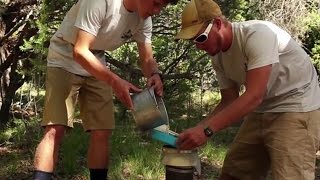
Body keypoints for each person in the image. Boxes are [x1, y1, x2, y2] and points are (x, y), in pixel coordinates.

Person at [33, 0, 178, 179]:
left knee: (102, 130)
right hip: (65, 56)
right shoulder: (101, 2)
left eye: (162, 7)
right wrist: (115, 82)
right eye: (155, 4)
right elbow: (80, 51)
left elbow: (147, 59)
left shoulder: (143, 20)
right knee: (55, 129)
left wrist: (155, 74)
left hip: (97, 60)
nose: (157, 11)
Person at [175, 0, 320, 179]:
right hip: (262, 107)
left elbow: (254, 95)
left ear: (218, 24)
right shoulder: (218, 58)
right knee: (236, 171)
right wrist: (199, 128)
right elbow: (229, 100)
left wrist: (206, 131)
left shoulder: (257, 34)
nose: (198, 46)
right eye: (193, 41)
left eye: (201, 38)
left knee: (290, 175)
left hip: (296, 104)